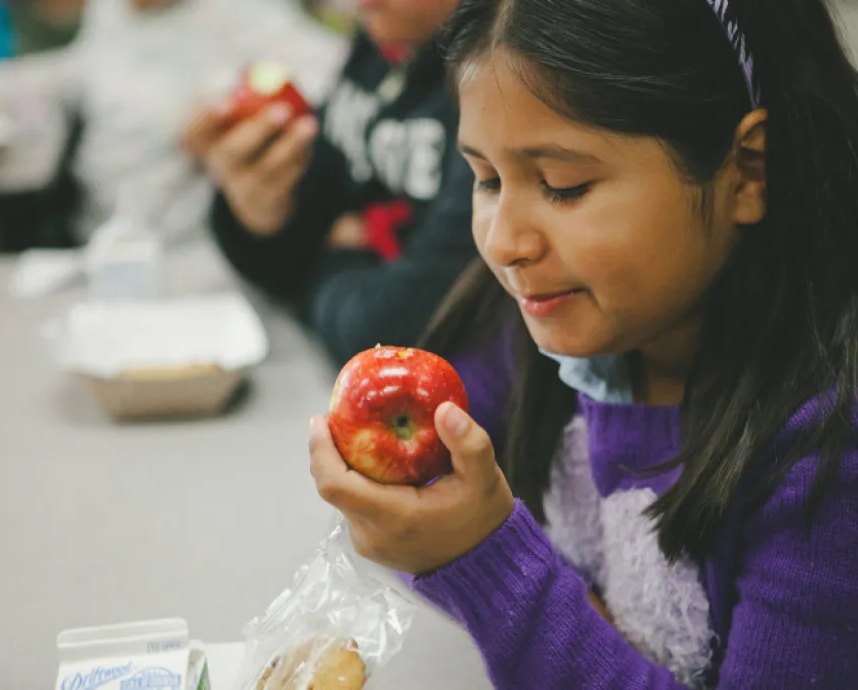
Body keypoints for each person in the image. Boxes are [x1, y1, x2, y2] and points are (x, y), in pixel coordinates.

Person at [307, 0, 858, 687]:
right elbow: (422, 494)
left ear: (745, 171)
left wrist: (489, 564)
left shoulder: (827, 448)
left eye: (564, 186)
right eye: (485, 178)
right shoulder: (545, 322)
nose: (505, 243)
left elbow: (474, 548)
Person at [183, 0, 475, 365]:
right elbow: (299, 226)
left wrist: (323, 264)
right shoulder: (385, 44)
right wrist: (257, 214)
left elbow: (394, 333)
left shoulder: (493, 77)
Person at [68, 0, 345, 244]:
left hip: (194, 243)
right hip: (98, 232)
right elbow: (86, 69)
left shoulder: (246, 13)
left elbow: (333, 70)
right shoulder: (107, 10)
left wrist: (236, 109)